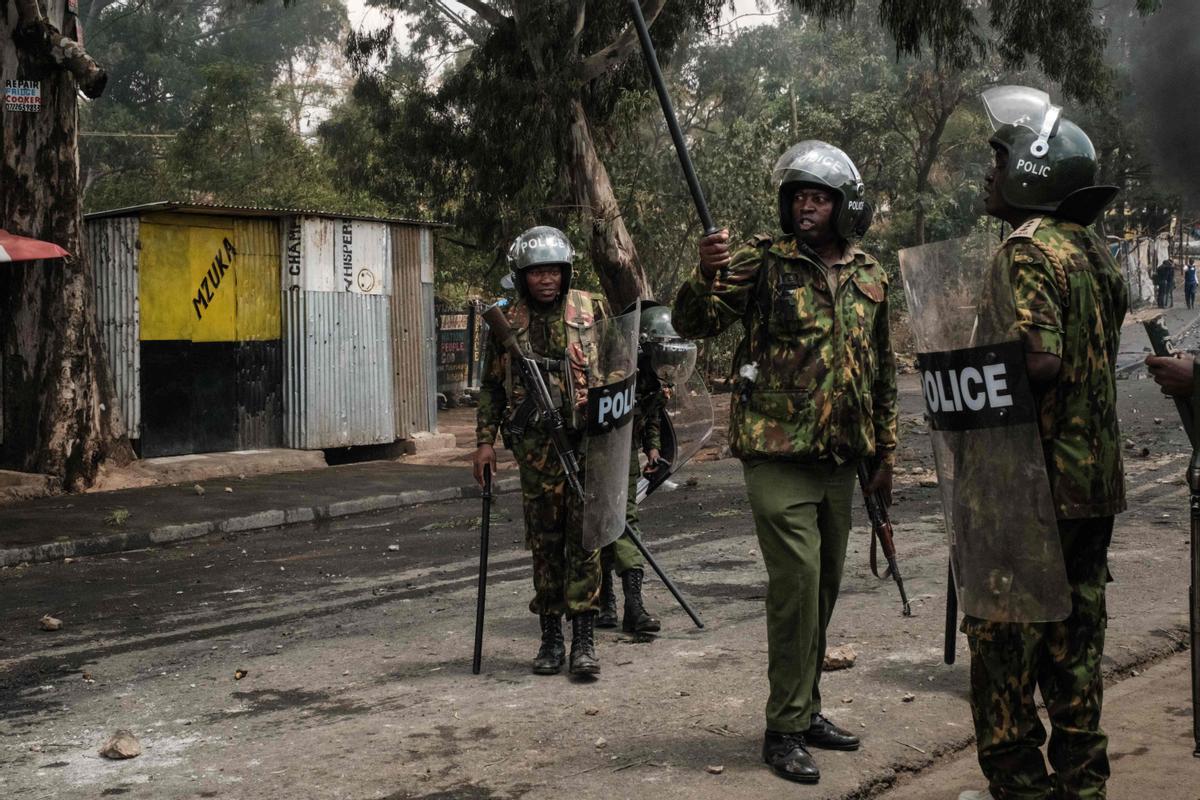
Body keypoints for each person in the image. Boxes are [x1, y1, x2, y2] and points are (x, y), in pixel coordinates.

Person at [672, 140, 897, 785]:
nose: (806, 207)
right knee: (796, 581)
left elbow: (881, 372)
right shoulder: (764, 266)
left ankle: (807, 710)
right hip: (776, 452)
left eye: (819, 197)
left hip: (841, 460)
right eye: (799, 196)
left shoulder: (871, 274)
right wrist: (705, 271)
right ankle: (782, 728)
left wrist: (886, 452)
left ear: (843, 206)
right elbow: (695, 322)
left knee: (823, 588)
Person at [958, 87, 1128, 800]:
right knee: (1075, 652)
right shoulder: (1092, 250)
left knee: (1004, 659)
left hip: (1029, 495)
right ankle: (1084, 789)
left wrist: (959, 384)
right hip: (1091, 488)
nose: (989, 173)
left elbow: (1041, 359)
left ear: (1034, 166)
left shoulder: (1023, 252)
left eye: (999, 157)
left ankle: (1022, 791)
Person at [473, 226, 606, 678]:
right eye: (536, 272)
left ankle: (584, 638)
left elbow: (619, 363)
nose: (546, 279)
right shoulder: (507, 320)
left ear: (565, 272)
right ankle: (551, 637)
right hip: (534, 448)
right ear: (521, 276)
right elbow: (491, 387)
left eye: (553, 270)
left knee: (585, 540)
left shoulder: (589, 309)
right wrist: (484, 443)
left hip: (584, 443)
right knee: (545, 543)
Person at [597, 304, 678, 635]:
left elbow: (653, 416)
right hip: (597, 452)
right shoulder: (614, 371)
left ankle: (633, 605)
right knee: (597, 523)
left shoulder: (656, 377)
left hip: (627, 452)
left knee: (623, 520)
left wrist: (653, 448)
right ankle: (604, 601)